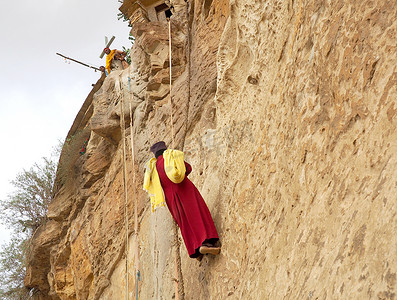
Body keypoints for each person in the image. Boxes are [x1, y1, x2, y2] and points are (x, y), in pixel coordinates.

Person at [144, 141, 221, 261]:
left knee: (184, 222)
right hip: (184, 189)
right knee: (196, 214)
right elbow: (186, 168)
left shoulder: (153, 169)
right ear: (164, 149)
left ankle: (195, 250)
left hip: (171, 199)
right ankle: (205, 243)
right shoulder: (170, 156)